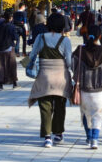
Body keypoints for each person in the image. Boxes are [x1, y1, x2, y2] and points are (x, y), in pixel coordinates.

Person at [27, 13, 73, 147]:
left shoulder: (41, 38)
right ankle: (58, 133)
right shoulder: (65, 41)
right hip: (61, 77)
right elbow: (69, 62)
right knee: (60, 106)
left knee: (45, 106)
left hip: (44, 76)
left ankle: (47, 136)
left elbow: (33, 55)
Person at [72, 32, 102, 149]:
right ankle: (95, 139)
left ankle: (88, 136)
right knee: (98, 114)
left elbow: (72, 65)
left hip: (84, 86)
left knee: (85, 113)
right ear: (100, 36)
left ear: (88, 36)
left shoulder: (80, 50)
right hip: (99, 87)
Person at [0, 9, 19, 90]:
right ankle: (14, 83)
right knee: (11, 65)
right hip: (8, 47)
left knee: (0, 66)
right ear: (11, 18)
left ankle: (0, 85)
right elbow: (15, 37)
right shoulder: (11, 26)